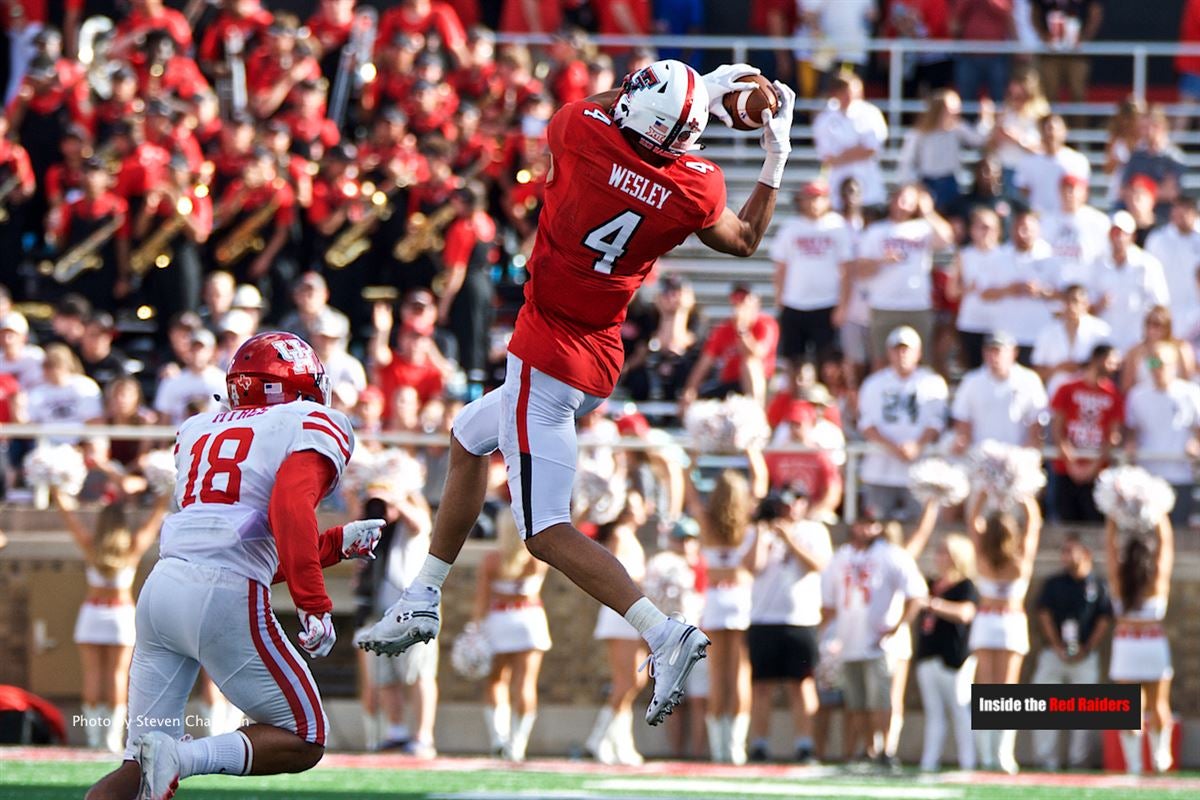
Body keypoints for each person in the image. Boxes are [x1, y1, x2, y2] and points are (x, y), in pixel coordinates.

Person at [355, 60, 797, 733]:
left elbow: (605, 102)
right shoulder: (696, 185)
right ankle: (425, 592)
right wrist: (774, 156)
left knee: (543, 531)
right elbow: (743, 240)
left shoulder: (581, 133)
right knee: (469, 439)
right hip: (595, 348)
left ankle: (664, 631)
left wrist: (697, 89)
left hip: (548, 348)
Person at [84, 331, 385, 800]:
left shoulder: (200, 428)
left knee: (136, 765)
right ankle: (182, 758)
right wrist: (314, 603)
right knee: (304, 735)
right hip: (222, 594)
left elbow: (241, 545)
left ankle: (164, 758)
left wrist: (334, 546)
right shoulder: (310, 420)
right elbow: (288, 509)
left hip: (163, 588)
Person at [51, 488, 170, 753]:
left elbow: (68, 515)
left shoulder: (90, 544)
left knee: (92, 674)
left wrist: (55, 486)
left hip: (91, 614)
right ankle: (112, 739)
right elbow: (155, 518)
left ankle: (94, 737)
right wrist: (164, 489)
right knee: (118, 675)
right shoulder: (133, 545)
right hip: (120, 615)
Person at [821, 509, 927, 772]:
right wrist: (828, 637)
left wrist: (897, 626)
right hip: (850, 641)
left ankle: (886, 749)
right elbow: (829, 603)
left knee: (882, 699)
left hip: (881, 644)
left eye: (872, 524)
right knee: (857, 702)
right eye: (862, 523)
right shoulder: (841, 556)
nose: (866, 529)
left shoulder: (892, 555)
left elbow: (917, 594)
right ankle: (867, 749)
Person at [744, 487, 832, 764]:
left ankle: (805, 744)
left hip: (800, 619)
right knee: (761, 686)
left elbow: (818, 565)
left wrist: (790, 540)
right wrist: (761, 530)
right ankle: (758, 743)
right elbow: (751, 567)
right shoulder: (760, 531)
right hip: (763, 618)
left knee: (801, 683)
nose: (788, 509)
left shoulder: (814, 531)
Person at [967, 492, 1042, 774]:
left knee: (985, 688)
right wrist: (1022, 491)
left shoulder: (982, 554)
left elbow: (973, 521)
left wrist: (984, 492)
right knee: (1007, 689)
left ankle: (987, 753)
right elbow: (1034, 523)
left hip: (987, 620)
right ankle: (1003, 753)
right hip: (1010, 621)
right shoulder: (1020, 558)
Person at [1030, 533, 1114, 771]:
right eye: (1064, 551)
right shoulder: (1054, 583)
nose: (1065, 556)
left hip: (1085, 657)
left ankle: (1079, 761)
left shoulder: (1098, 585)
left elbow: (1103, 619)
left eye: (1071, 551)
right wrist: (1056, 644)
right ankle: (1046, 760)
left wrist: (1087, 648)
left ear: (1086, 554)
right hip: (1053, 654)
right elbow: (1043, 615)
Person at [474, 512, 551, 762]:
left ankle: (499, 737)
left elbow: (482, 601)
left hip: (500, 620)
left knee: (497, 680)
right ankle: (518, 743)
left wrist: (476, 629)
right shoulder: (537, 559)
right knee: (526, 683)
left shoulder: (492, 560)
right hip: (530, 618)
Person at [1105, 510, 1175, 773]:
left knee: (1130, 706)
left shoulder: (1118, 579)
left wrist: (1114, 511)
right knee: (1159, 703)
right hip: (1153, 643)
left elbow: (1110, 546)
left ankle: (1134, 763)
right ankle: (1160, 758)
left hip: (1126, 644)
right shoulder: (1157, 578)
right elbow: (1166, 544)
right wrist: (1158, 511)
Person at [857, 326, 949, 522]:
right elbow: (867, 425)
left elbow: (936, 422)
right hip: (880, 470)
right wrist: (893, 447)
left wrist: (916, 446)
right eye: (897, 349)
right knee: (876, 525)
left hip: (920, 469)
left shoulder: (932, 382)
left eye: (906, 349)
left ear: (918, 353)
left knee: (921, 524)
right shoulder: (873, 383)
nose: (902, 354)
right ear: (889, 352)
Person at [854, 185, 955, 363]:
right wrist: (882, 261)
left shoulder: (924, 228)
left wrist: (929, 212)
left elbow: (947, 238)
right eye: (900, 198)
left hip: (917, 304)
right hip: (883, 304)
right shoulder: (876, 231)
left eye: (909, 200)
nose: (903, 204)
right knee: (881, 360)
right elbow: (860, 270)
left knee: (921, 360)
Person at [587, 490, 650, 766]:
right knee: (625, 681)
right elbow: (620, 572)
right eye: (635, 504)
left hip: (633, 615)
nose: (643, 508)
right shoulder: (621, 535)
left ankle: (620, 743)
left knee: (636, 680)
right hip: (621, 614)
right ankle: (599, 739)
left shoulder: (630, 536)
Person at [912, 528, 979, 772]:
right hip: (928, 653)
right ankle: (929, 763)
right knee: (934, 714)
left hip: (954, 657)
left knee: (960, 710)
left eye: (946, 552)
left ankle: (968, 763)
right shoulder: (930, 583)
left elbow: (964, 613)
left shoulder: (965, 586)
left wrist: (933, 604)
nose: (940, 556)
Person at [768, 180, 852, 367]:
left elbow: (847, 268)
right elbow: (781, 266)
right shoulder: (791, 227)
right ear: (802, 200)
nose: (815, 203)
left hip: (827, 302)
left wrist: (843, 305)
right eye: (811, 198)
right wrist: (779, 297)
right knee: (793, 359)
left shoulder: (837, 226)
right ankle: (794, 396)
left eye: (819, 198)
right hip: (794, 302)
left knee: (828, 360)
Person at [1123, 343, 1200, 527]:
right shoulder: (1137, 395)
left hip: (1180, 475)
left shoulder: (1190, 393)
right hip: (1147, 475)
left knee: (1177, 530)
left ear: (1174, 365)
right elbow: (1131, 431)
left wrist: (1195, 443)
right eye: (1152, 363)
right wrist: (1130, 445)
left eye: (1162, 363)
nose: (1157, 368)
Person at [1049, 344, 1124, 523]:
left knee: (1094, 525)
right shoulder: (1067, 388)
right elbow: (1057, 428)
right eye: (1110, 361)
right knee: (1065, 524)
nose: (1114, 367)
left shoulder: (1113, 395)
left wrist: (1093, 467)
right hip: (1065, 470)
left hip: (1097, 472)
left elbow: (1113, 436)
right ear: (1097, 359)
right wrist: (1071, 462)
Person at [680, 283, 780, 408]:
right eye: (737, 298)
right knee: (699, 400)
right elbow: (704, 363)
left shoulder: (766, 324)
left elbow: (757, 353)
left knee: (749, 363)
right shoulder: (724, 329)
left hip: (761, 381)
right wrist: (690, 390)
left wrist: (742, 329)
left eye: (744, 298)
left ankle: (757, 410)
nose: (740, 303)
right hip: (731, 382)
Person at [981, 207, 1059, 364]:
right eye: (1018, 228)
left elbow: (1064, 294)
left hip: (1039, 333)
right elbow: (984, 293)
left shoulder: (1051, 257)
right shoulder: (998, 256)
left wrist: (1041, 291)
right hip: (1007, 335)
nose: (1023, 233)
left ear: (1038, 230)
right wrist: (1008, 290)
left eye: (1027, 229)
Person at [950, 331, 1047, 453]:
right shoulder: (971, 381)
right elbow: (962, 418)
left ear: (1013, 352)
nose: (993, 356)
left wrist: (1026, 452)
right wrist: (963, 439)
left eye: (998, 351)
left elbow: (1037, 421)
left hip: (1017, 455)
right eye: (989, 351)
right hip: (979, 455)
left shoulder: (1029, 380)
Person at [898, 89, 993, 212]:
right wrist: (916, 185)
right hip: (927, 182)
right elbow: (906, 162)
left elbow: (978, 140)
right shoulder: (918, 133)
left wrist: (985, 119)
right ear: (938, 110)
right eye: (951, 109)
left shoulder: (957, 129)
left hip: (950, 182)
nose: (955, 113)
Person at [1093, 212, 1170, 353]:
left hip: (1140, 344)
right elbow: (1088, 304)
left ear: (1133, 236)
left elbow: (1160, 306)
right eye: (1114, 233)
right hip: (1106, 346)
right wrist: (1099, 305)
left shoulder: (1148, 264)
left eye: (1123, 233)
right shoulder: (1098, 264)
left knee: (1154, 369)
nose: (1118, 238)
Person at [813, 72, 888, 212]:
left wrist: (842, 155)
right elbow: (827, 157)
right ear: (836, 93)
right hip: (837, 186)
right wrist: (856, 151)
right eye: (846, 92)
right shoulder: (825, 118)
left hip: (869, 185)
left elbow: (872, 148)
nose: (851, 97)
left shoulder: (870, 113)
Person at [1031, 285, 1112, 391]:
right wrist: (1058, 368)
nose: (1071, 306)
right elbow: (1036, 371)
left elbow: (1110, 368)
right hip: (1056, 393)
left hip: (1090, 396)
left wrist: (1083, 368)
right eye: (1067, 301)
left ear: (1086, 304)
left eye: (1076, 301)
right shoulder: (1047, 332)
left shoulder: (1101, 331)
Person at [953, 208, 1005, 370]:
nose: (984, 232)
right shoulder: (964, 255)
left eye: (988, 227)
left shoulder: (1006, 255)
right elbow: (952, 291)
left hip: (999, 323)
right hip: (971, 322)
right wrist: (967, 289)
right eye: (980, 227)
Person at [1014, 114, 1090, 215]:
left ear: (1065, 131)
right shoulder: (1028, 162)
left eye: (1054, 129)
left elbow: (1082, 191)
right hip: (1039, 218)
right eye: (1047, 129)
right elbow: (1023, 190)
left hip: (1067, 219)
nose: (1051, 133)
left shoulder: (1078, 160)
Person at [1145, 196, 1200, 324]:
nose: (1181, 216)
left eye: (1186, 211)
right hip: (1168, 312)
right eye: (1177, 211)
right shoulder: (1157, 240)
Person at [1118, 306, 1196, 393]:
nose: (1151, 328)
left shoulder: (1180, 348)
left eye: (1156, 324)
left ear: (1167, 326)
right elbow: (1126, 387)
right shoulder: (1135, 351)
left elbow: (1188, 380)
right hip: (1145, 399)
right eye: (1148, 323)